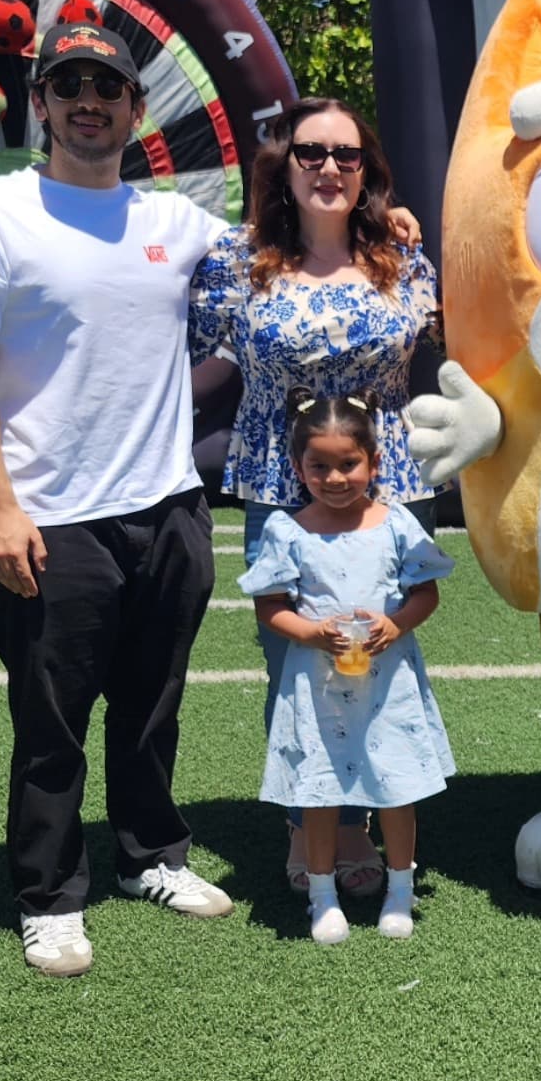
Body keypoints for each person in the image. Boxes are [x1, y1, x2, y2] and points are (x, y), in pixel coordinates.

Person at [0, 23, 233, 977]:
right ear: (41, 102)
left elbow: (288, 259)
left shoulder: (177, 222)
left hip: (169, 506)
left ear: (136, 108)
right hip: (48, 516)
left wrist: (386, 222)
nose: (89, 101)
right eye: (69, 84)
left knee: (153, 707)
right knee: (51, 724)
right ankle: (49, 895)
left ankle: (151, 856)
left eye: (107, 86)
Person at [189, 97, 438, 900]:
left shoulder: (403, 256)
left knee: (380, 655)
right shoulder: (236, 260)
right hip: (282, 486)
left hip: (388, 484)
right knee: (299, 660)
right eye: (311, 153)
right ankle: (314, 823)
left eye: (346, 154)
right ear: (284, 165)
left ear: (367, 171)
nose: (329, 167)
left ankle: (371, 810)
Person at [238, 388, 455, 943]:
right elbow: (270, 607)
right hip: (318, 688)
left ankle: (400, 890)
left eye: (348, 464)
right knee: (320, 788)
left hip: (387, 687)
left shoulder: (396, 524)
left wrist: (396, 625)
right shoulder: (288, 530)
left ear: (374, 463)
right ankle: (323, 895)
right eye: (319, 467)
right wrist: (312, 633)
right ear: (298, 468)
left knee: (396, 785)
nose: (335, 478)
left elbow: (425, 593)